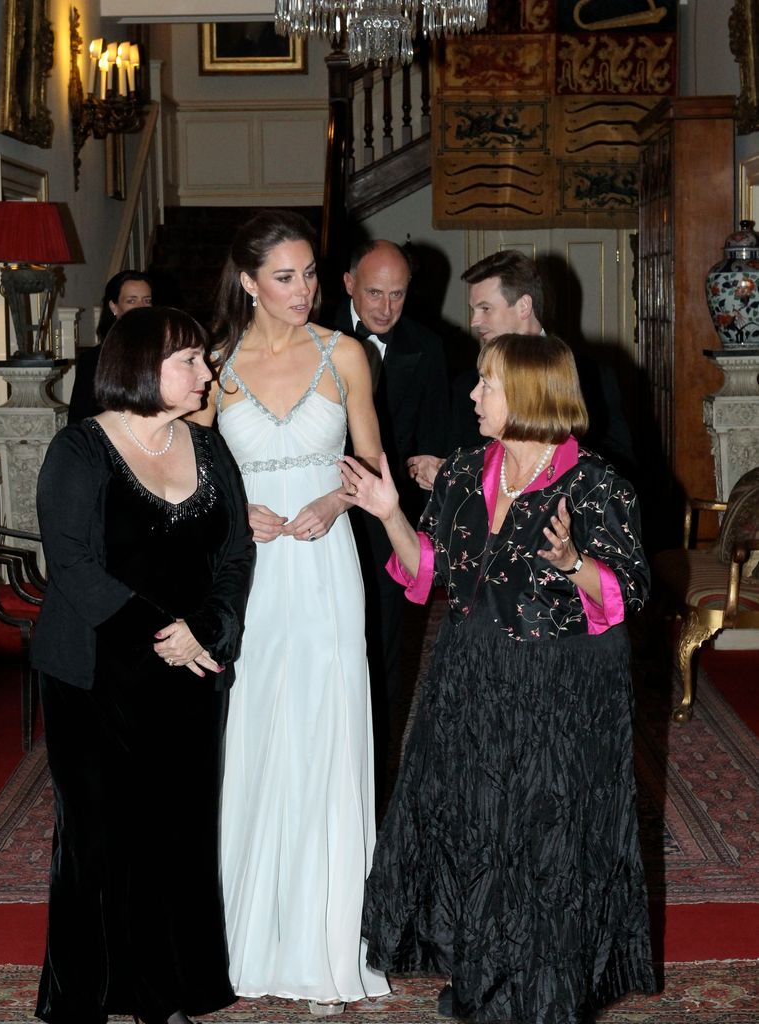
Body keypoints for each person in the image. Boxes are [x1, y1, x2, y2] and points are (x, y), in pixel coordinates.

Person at [340, 333, 656, 1024]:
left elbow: (626, 592)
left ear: (532, 394)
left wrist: (573, 562)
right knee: (475, 823)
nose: (474, 394)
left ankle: (544, 989)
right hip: (471, 671)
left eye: (489, 383)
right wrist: (389, 512)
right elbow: (428, 571)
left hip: (560, 683)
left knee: (545, 835)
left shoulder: (595, 484)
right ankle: (483, 969)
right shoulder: (462, 472)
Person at [190, 211, 389, 1013]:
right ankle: (243, 935)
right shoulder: (212, 364)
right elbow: (190, 475)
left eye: (308, 273)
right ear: (247, 282)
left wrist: (335, 502)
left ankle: (328, 943)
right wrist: (233, 513)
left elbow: (370, 460)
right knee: (250, 731)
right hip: (247, 573)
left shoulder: (344, 354)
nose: (303, 289)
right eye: (284, 276)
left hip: (323, 564)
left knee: (325, 730)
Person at [33, 306, 255, 1024]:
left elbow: (235, 553)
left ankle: (166, 995)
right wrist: (167, 633)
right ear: (138, 367)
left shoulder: (209, 447)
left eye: (202, 359)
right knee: (99, 839)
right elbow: (72, 566)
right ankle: (86, 998)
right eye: (188, 361)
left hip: (190, 674)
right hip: (96, 675)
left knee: (179, 834)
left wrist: (207, 632)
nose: (205, 372)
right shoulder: (79, 450)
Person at [333, 239, 449, 801]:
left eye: (397, 295)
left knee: (384, 648)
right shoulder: (313, 336)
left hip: (388, 523)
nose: (385, 308)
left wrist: (427, 470)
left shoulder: (428, 346)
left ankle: (375, 783)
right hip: (322, 517)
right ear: (349, 284)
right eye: (375, 293)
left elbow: (435, 436)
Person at [411, 249, 635, 491]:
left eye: (485, 309)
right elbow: (461, 460)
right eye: (473, 310)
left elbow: (618, 469)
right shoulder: (468, 387)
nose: (474, 321)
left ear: (524, 306)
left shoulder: (590, 377)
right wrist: (448, 473)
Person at [68, 270, 153, 423]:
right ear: (114, 307)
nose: (141, 307)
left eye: (147, 301)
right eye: (131, 301)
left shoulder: (166, 354)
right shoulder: (93, 360)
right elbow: (79, 418)